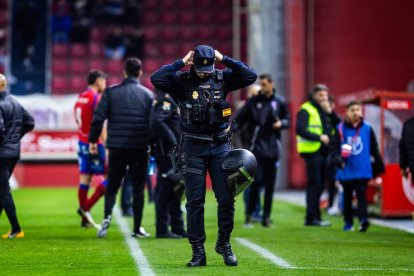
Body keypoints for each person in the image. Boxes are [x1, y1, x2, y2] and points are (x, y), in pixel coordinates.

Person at [151, 45, 257, 267]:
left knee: (227, 199)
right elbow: (157, 78)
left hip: (220, 147)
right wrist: (181, 62)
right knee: (195, 202)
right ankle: (198, 251)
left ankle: (224, 244)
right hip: (192, 148)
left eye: (208, 68)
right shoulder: (181, 81)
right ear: (193, 63)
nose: (204, 73)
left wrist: (224, 58)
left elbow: (250, 75)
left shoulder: (223, 77)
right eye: (200, 68)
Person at [89, 58, 153, 238]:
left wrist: (93, 140)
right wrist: (152, 145)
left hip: (116, 146)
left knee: (113, 186)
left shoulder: (110, 92)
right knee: (139, 188)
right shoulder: (147, 95)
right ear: (140, 73)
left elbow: (98, 117)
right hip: (139, 147)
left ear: (124, 72)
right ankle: (138, 227)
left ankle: (107, 217)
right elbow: (153, 123)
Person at [234, 73, 290, 227]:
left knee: (270, 186)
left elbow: (288, 119)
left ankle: (266, 217)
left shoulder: (279, 102)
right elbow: (239, 119)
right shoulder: (253, 102)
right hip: (256, 149)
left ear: (271, 84)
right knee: (255, 183)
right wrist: (229, 129)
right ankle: (249, 215)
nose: (263, 87)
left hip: (273, 149)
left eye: (264, 84)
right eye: (261, 84)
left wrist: (282, 124)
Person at [334, 101, 384, 232]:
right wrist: (338, 160)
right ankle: (348, 222)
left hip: (362, 169)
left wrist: (379, 164)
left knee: (362, 194)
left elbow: (374, 148)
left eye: (358, 109)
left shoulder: (367, 128)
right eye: (353, 110)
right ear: (347, 112)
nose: (356, 112)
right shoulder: (340, 128)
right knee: (348, 196)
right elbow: (334, 149)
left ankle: (363, 220)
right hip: (346, 169)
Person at [296, 84, 338, 227]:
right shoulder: (306, 109)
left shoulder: (325, 110)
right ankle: (311, 218)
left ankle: (316, 216)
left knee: (320, 185)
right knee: (315, 185)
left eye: (325, 96)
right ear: (313, 95)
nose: (324, 98)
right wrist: (319, 137)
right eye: (321, 95)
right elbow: (300, 130)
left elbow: (339, 126)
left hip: (325, 152)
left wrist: (330, 112)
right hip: (312, 152)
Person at [0, 74, 35, 238]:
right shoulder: (14, 102)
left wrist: (7, 139)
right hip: (13, 152)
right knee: (2, 189)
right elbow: (30, 122)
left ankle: (16, 228)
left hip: (2, 152)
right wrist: (15, 138)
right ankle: (15, 228)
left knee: (3, 189)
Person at [74, 70, 108, 228]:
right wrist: (105, 143)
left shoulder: (80, 98)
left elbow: (77, 119)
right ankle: (85, 208)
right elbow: (98, 122)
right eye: (104, 82)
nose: (105, 85)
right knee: (106, 179)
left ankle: (84, 218)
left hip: (81, 143)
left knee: (84, 180)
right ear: (98, 81)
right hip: (94, 144)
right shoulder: (95, 97)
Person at [151, 89, 187, 239]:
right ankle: (162, 228)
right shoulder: (165, 100)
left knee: (176, 188)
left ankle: (177, 226)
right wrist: (174, 141)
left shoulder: (169, 100)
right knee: (165, 189)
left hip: (172, 152)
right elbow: (158, 120)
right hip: (167, 153)